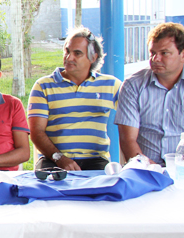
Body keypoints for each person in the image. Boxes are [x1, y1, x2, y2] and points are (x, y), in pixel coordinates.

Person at [28, 27, 121, 171]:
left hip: (96, 160)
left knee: (105, 191)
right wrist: (60, 158)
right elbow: (36, 131)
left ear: (93, 57)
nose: (69, 57)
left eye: (77, 53)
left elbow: (132, 120)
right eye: (67, 51)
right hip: (53, 158)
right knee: (47, 191)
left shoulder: (111, 85)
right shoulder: (43, 86)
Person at [115, 22, 184, 167]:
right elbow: (127, 140)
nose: (155, 59)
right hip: (145, 171)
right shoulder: (133, 85)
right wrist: (153, 171)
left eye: (164, 53)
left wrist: (176, 170)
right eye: (152, 53)